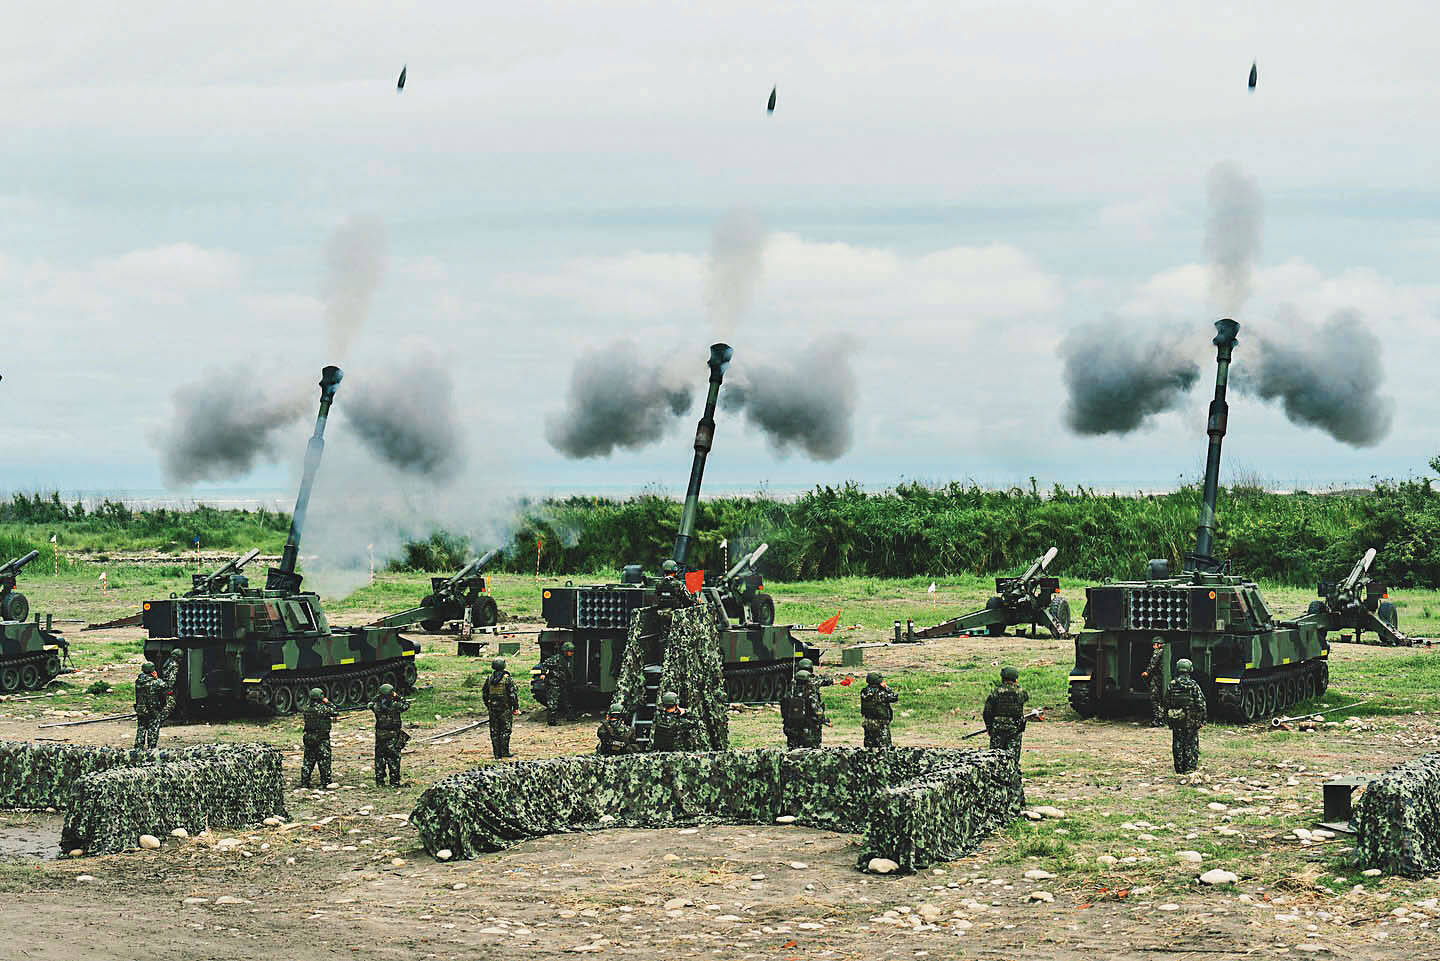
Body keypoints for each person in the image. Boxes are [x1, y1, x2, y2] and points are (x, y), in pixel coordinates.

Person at [1164, 658, 1207, 774]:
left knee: (1178, 743)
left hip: (1177, 718)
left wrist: (1168, 717)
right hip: (1191, 720)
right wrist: (1203, 718)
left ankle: (1179, 768)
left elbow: (1167, 702)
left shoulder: (1172, 684)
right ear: (1190, 669)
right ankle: (1190, 767)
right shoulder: (1193, 685)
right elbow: (1201, 703)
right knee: (1191, 743)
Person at [133, 650, 181, 750]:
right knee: (153, 728)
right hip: (152, 710)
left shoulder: (138, 681)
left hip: (141, 709)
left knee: (141, 728)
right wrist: (156, 678)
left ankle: (138, 747)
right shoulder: (156, 682)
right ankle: (151, 748)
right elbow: (166, 686)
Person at [368, 683, 411, 786]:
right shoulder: (396, 706)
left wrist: (379, 696)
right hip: (393, 735)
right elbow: (406, 705)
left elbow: (371, 703)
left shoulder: (376, 706)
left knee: (380, 758)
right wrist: (397, 696)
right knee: (394, 758)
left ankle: (380, 781)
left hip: (380, 735)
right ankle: (394, 781)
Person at [983, 666, 1029, 757]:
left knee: (995, 756)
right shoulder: (1021, 692)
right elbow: (1025, 698)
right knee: (1012, 756)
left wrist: (989, 727)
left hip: (997, 728)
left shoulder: (995, 692)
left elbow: (987, 712)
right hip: (1014, 728)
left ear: (1002, 678)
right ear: (1015, 679)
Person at [780, 669, 828, 748]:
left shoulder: (788, 695)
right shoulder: (810, 695)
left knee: (792, 752)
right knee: (812, 753)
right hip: (808, 730)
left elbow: (784, 712)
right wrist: (824, 720)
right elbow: (818, 712)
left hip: (792, 730)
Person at [482, 657, 519, 759]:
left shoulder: (489, 678)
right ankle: (505, 752)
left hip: (492, 708)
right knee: (505, 730)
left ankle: (497, 754)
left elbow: (485, 693)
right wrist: (515, 707)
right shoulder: (507, 679)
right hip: (505, 708)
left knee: (494, 731)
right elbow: (513, 695)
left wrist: (488, 705)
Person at [300, 687, 336, 788]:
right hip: (322, 738)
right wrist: (327, 702)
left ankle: (304, 782)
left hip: (309, 738)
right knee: (324, 760)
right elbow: (334, 711)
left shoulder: (306, 708)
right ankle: (325, 782)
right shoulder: (323, 709)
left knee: (308, 761)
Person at [537, 641, 575, 725]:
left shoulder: (567, 660)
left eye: (572, 651)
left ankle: (570, 717)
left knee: (566, 701)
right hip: (553, 683)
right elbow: (544, 665)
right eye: (570, 651)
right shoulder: (556, 658)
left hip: (562, 683)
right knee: (553, 702)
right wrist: (543, 673)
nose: (571, 653)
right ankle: (551, 721)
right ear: (565, 651)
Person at [859, 672, 899, 748]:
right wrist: (887, 687)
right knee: (884, 747)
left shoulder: (864, 691)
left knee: (869, 747)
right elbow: (894, 697)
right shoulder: (881, 693)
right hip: (881, 723)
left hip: (868, 722)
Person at [1141, 639, 1166, 727]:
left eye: (1154, 644)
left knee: (1155, 697)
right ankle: (1162, 718)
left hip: (1157, 678)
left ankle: (1159, 719)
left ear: (1158, 645)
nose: (1153, 647)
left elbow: (1153, 663)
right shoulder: (1165, 652)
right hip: (1163, 678)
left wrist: (1147, 672)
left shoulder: (1158, 652)